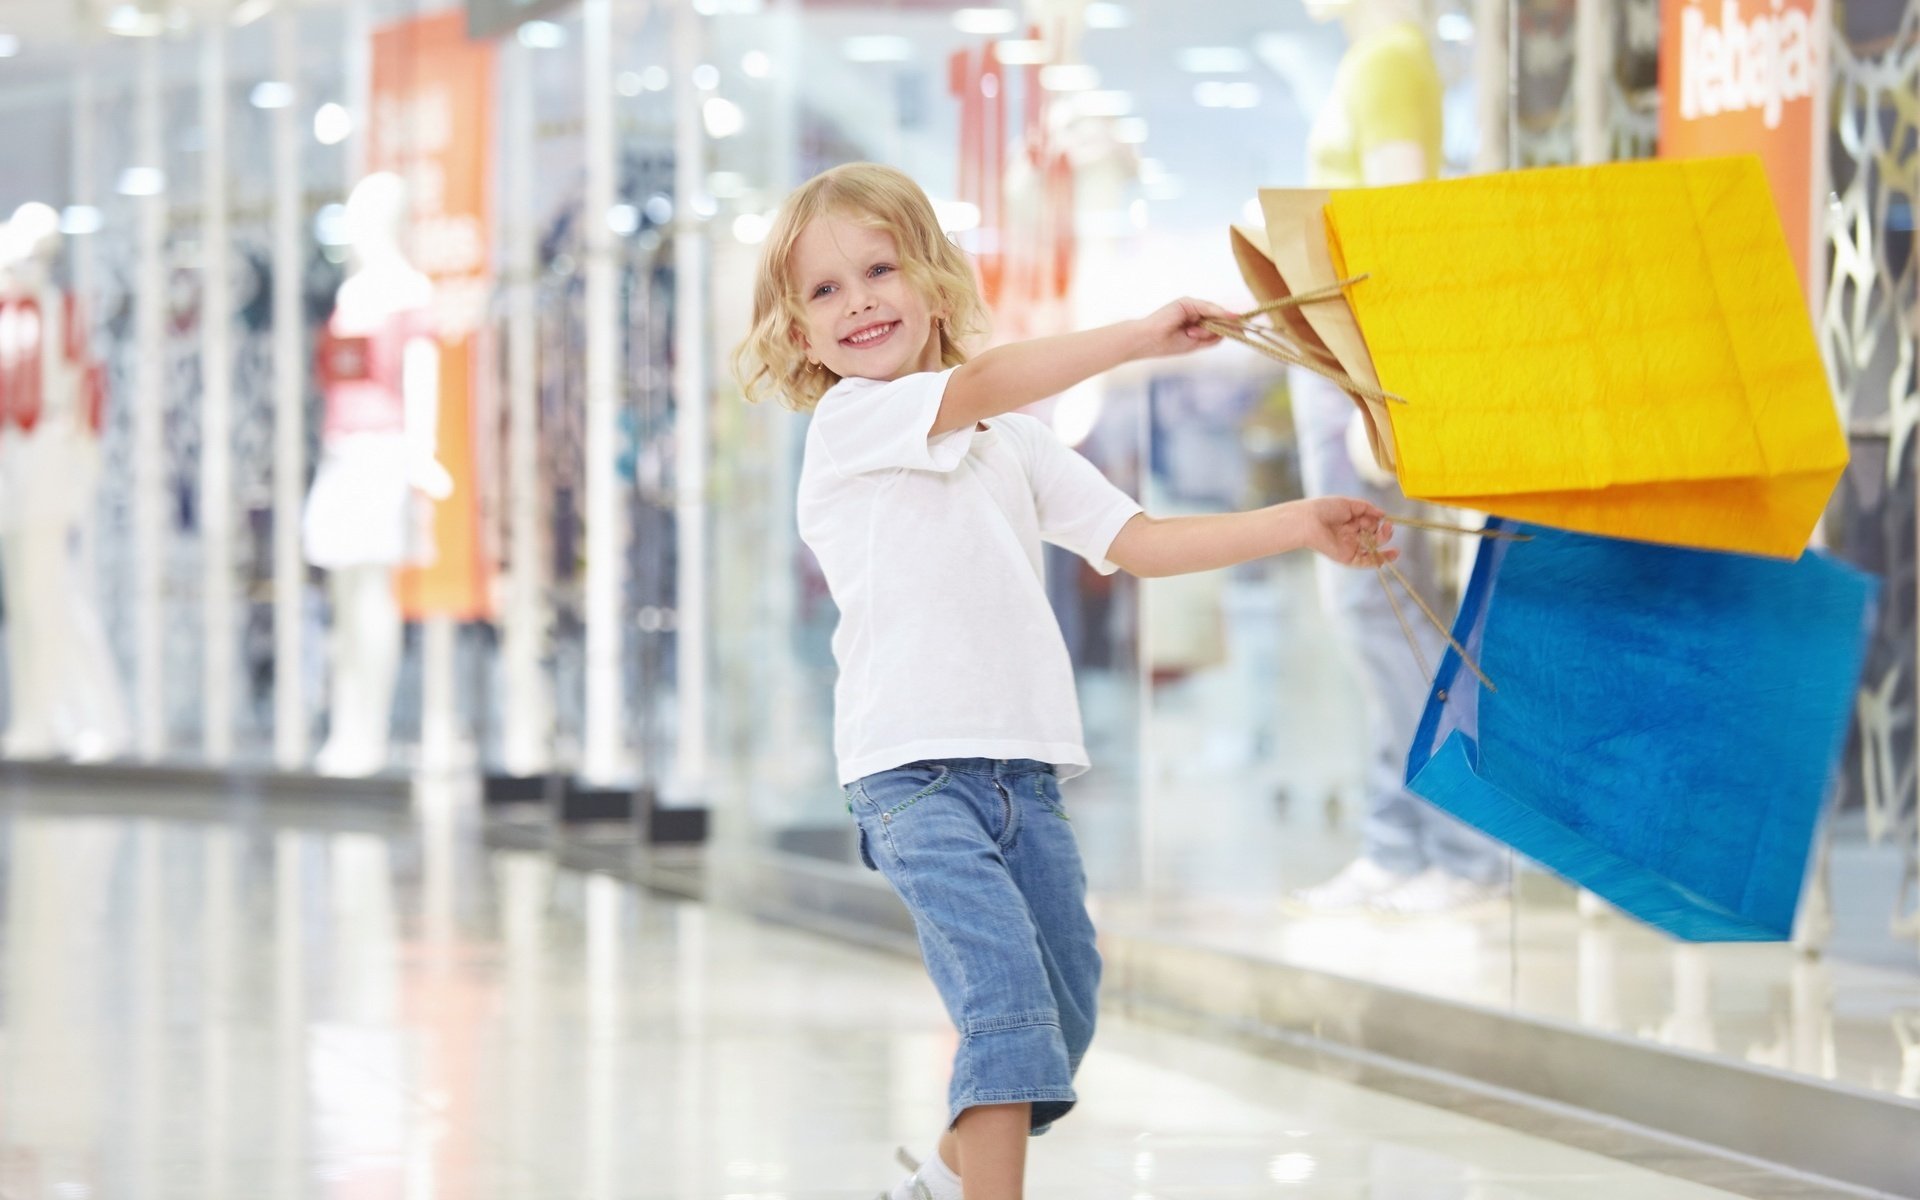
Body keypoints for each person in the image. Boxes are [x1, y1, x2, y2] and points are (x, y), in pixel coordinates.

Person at [731, 162, 1399, 1200]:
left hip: (1025, 780)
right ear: (799, 335)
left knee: (1064, 1012)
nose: (858, 299)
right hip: (914, 781)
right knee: (1003, 1008)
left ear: (936, 283)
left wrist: (1305, 522)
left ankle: (937, 1186)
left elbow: (1138, 541)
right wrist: (1136, 337)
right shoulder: (854, 426)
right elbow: (985, 383)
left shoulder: (1014, 447)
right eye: (824, 291)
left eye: (879, 268)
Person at [1283, 0, 1507, 915]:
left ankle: (1451, 849)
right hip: (1339, 365)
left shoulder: (1390, 61)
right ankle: (1406, 842)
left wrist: (1373, 394)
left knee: (1383, 608)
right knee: (1381, 609)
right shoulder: (1382, 60)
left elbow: (1400, 241)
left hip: (1352, 370)